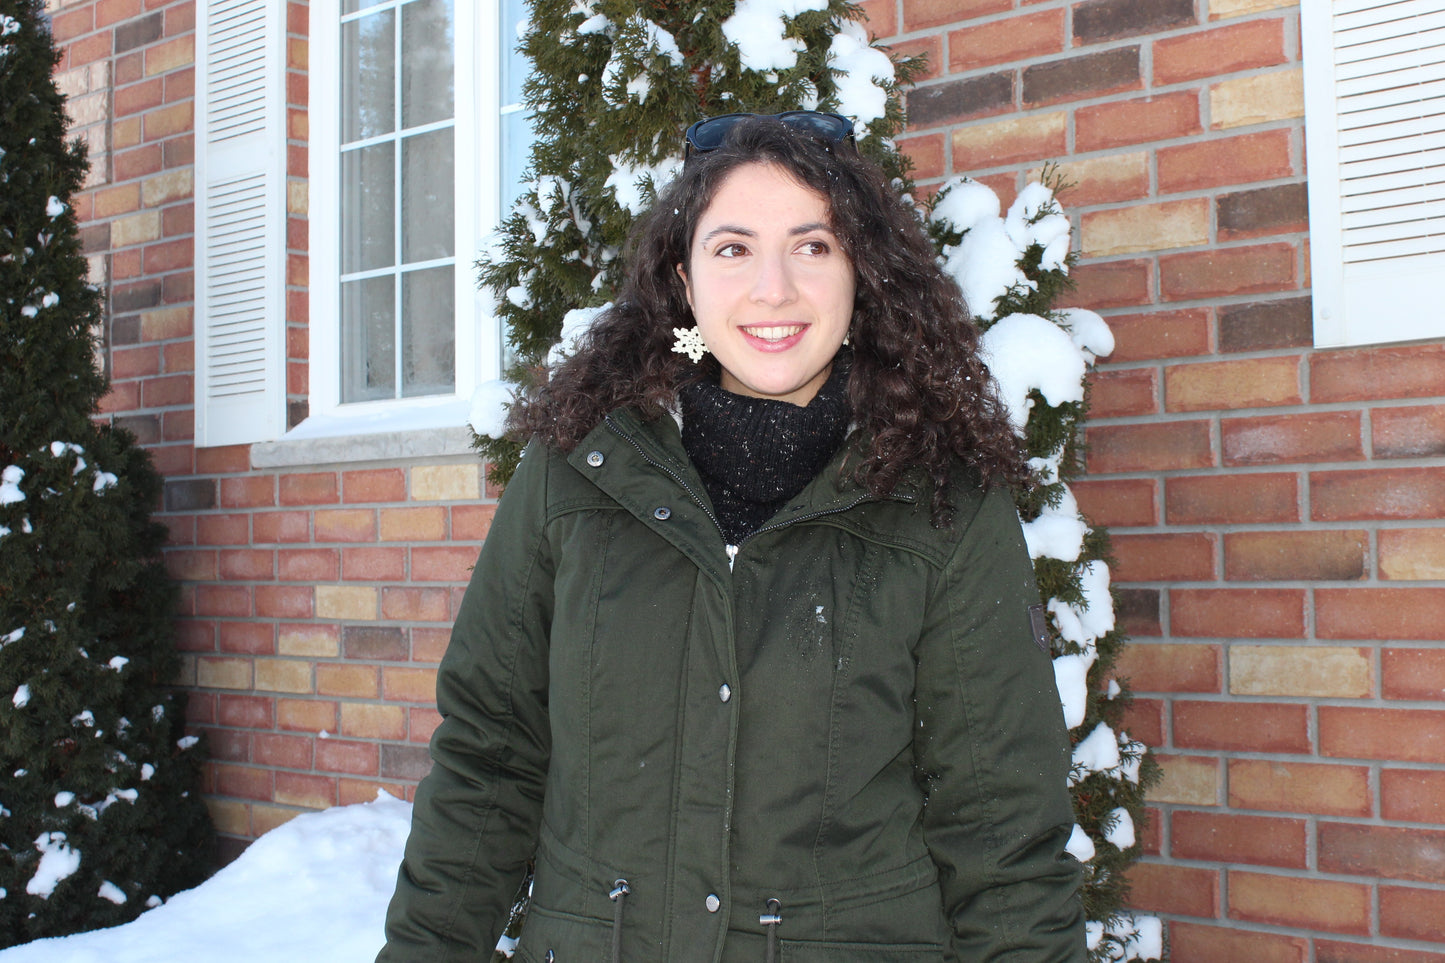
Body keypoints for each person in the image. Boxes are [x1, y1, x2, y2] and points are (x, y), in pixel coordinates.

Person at [378, 112, 1085, 962]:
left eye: (813, 246)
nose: (774, 288)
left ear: (862, 271)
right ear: (684, 278)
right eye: (733, 248)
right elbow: (488, 760)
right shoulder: (575, 473)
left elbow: (1001, 829)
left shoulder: (944, 503)